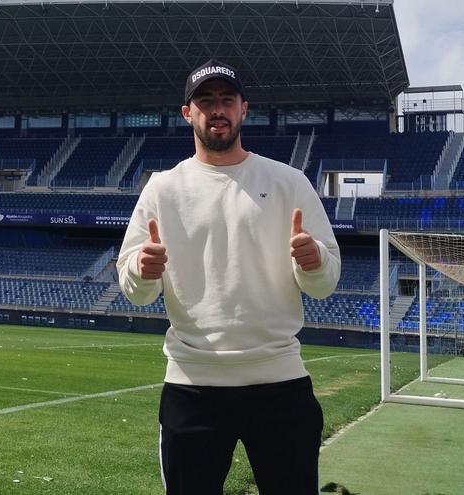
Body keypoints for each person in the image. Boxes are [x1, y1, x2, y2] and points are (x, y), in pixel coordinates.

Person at [116, 59, 341, 494]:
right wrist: (143, 272)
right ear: (188, 113)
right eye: (205, 101)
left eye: (226, 100)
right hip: (192, 386)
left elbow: (326, 282)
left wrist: (312, 262)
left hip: (281, 383)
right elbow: (135, 290)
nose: (216, 109)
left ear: (244, 109)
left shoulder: (289, 182)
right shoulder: (162, 189)